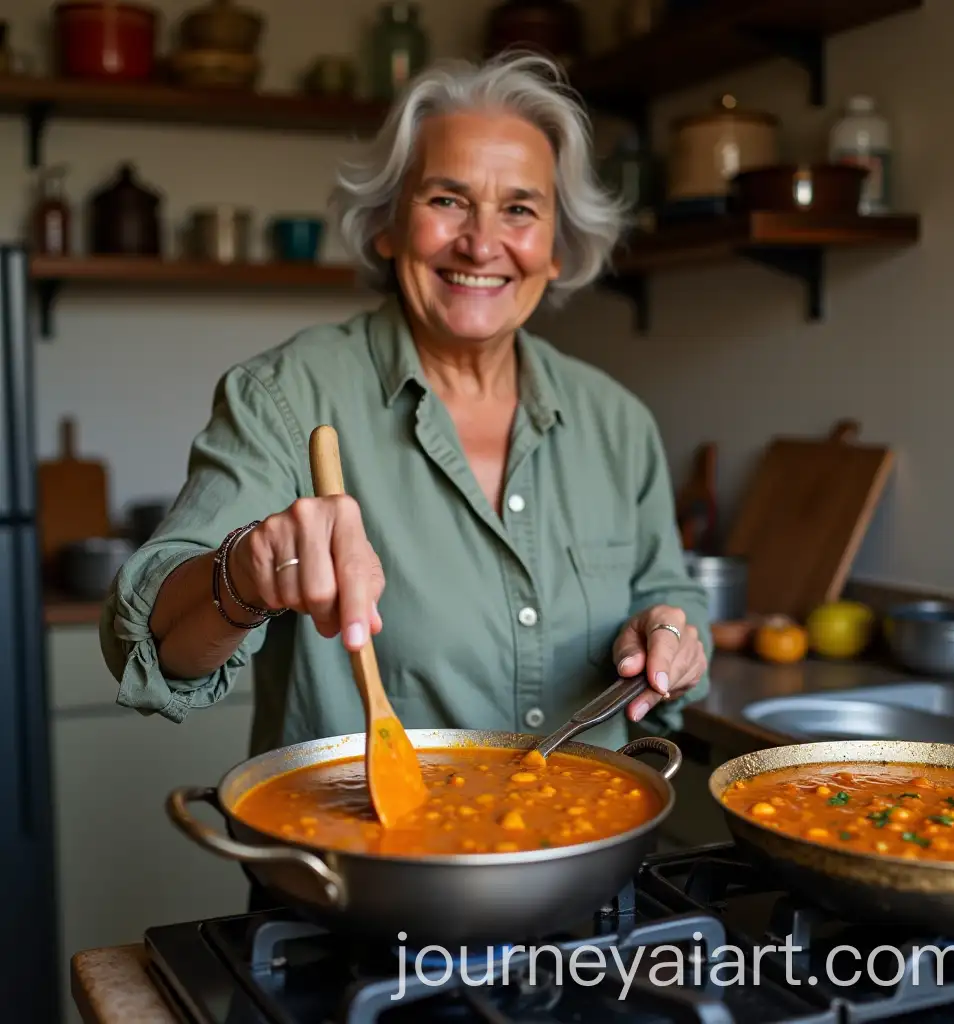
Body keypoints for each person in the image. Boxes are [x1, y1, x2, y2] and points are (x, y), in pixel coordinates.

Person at [99, 52, 712, 767]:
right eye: (446, 199)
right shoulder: (284, 395)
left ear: (556, 249)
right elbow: (144, 640)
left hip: (587, 859)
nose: (481, 243)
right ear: (387, 226)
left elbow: (668, 594)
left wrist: (672, 634)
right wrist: (243, 576)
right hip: (356, 868)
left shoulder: (618, 422)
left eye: (519, 208)